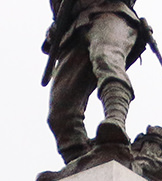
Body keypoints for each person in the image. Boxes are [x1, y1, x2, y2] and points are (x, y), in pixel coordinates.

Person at [41, 0, 151, 165]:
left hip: (109, 12)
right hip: (73, 30)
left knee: (106, 57)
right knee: (60, 109)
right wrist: (57, 26)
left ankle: (115, 120)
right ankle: (80, 160)